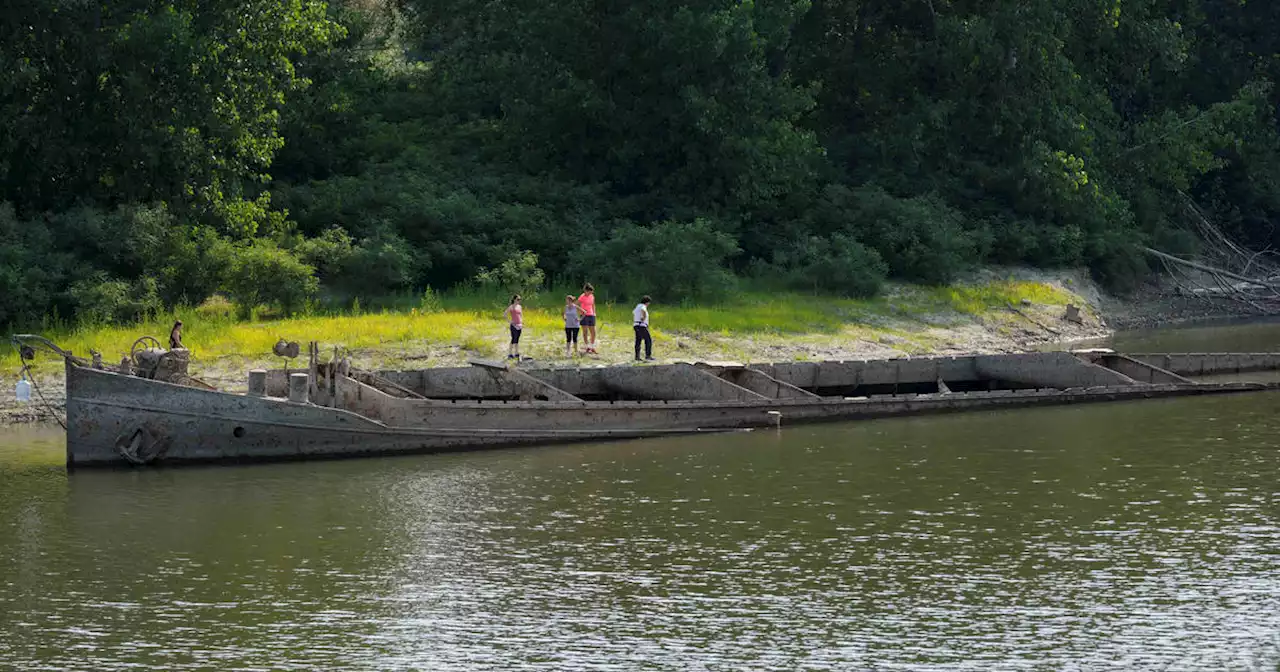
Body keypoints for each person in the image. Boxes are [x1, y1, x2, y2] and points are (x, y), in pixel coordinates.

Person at [577, 283, 598, 355]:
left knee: (593, 332)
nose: (590, 293)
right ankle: (587, 346)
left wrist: (594, 313)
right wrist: (581, 312)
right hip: (584, 316)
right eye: (589, 292)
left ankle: (591, 346)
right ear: (586, 291)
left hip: (591, 315)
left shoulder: (592, 296)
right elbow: (577, 305)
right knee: (585, 332)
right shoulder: (582, 297)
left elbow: (593, 304)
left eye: (591, 292)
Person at [633, 295, 653, 361]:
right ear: (647, 302)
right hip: (641, 325)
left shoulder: (637, 306)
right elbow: (643, 310)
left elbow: (633, 313)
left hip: (636, 325)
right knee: (648, 340)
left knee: (638, 341)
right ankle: (648, 355)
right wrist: (643, 318)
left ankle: (637, 357)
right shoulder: (643, 306)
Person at [504, 295, 523, 360]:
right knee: (513, 339)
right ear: (514, 299)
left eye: (520, 299)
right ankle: (510, 354)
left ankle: (516, 353)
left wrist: (521, 322)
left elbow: (520, 315)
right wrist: (510, 321)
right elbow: (505, 314)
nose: (519, 301)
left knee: (517, 339)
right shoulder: (511, 307)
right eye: (518, 299)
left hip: (519, 325)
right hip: (513, 326)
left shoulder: (520, 307)